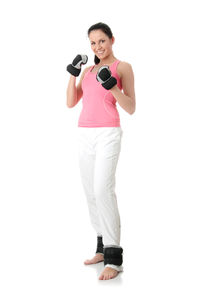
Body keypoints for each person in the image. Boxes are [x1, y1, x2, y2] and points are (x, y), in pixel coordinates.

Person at [66, 22, 136, 280]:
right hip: (84, 132)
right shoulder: (88, 70)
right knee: (89, 191)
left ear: (112, 40)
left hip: (108, 133)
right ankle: (101, 247)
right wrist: (73, 74)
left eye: (102, 41)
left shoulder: (123, 67)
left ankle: (114, 258)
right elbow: (71, 102)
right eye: (93, 43)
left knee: (102, 189)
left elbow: (130, 107)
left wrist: (113, 87)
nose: (98, 47)